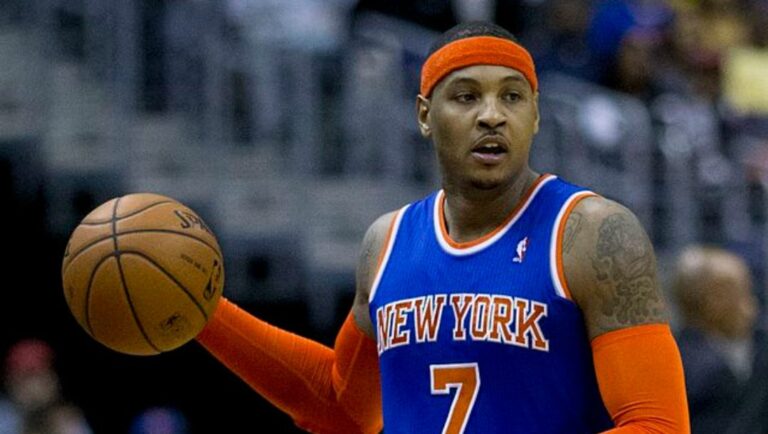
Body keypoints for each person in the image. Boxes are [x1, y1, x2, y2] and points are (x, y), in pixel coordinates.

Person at [196, 21, 689, 433]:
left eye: (512, 97)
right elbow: (340, 407)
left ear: (536, 116)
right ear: (425, 115)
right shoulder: (386, 243)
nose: (492, 116)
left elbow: (659, 424)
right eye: (466, 96)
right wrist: (203, 311)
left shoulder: (591, 233)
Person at [671, 245, 760, 434]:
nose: (751, 307)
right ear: (714, 301)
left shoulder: (670, 355)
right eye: (743, 294)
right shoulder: (716, 376)